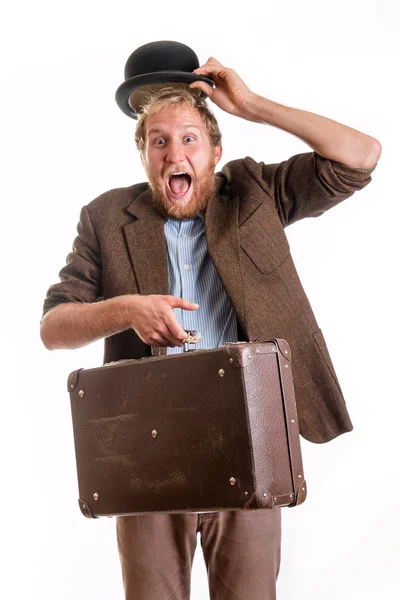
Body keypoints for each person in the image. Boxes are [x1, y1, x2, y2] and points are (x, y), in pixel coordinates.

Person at [40, 56, 381, 600]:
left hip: (250, 438)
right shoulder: (105, 217)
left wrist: (253, 106)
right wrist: (126, 309)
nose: (175, 154)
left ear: (215, 152)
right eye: (159, 142)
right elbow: (54, 327)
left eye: (190, 139)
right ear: (144, 154)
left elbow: (362, 156)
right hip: (148, 452)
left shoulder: (255, 192)